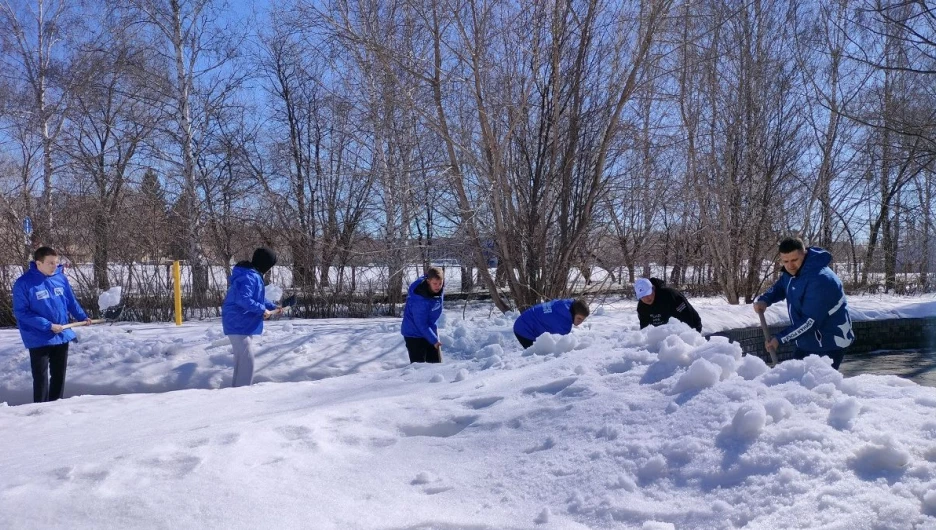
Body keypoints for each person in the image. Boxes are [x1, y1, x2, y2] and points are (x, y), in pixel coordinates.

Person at [753, 237, 854, 370]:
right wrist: (765, 299)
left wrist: (780, 339)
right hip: (808, 341)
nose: (790, 265)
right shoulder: (792, 272)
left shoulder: (821, 280)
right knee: (795, 381)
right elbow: (782, 286)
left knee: (818, 386)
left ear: (804, 253)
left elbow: (810, 322)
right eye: (785, 261)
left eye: (794, 260)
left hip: (830, 342)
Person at [12, 246, 92, 403]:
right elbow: (21, 312)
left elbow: (70, 301)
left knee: (59, 375)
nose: (54, 266)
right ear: (39, 263)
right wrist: (47, 325)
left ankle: (56, 408)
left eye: (56, 262)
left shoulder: (60, 279)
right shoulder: (23, 283)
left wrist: (83, 317)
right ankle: (40, 410)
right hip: (38, 336)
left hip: (61, 334)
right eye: (50, 263)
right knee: (41, 378)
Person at [222, 247, 282, 387]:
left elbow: (258, 298)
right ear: (265, 263)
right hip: (238, 323)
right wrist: (262, 310)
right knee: (247, 364)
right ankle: (242, 396)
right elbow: (244, 300)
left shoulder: (252, 274)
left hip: (240, 323)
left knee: (242, 363)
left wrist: (273, 307)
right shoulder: (250, 276)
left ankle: (235, 394)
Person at [401, 267, 445, 363]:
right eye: (435, 284)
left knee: (435, 364)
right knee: (419, 368)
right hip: (413, 334)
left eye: (440, 283)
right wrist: (434, 340)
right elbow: (421, 323)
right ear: (428, 281)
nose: (438, 286)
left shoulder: (437, 290)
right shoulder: (419, 299)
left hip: (428, 330)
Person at [513, 298, 590, 348]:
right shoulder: (563, 324)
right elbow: (560, 345)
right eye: (579, 318)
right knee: (538, 358)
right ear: (573, 313)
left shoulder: (566, 305)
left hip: (525, 321)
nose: (580, 322)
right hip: (524, 330)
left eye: (583, 319)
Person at [635, 277, 702, 332]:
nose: (646, 298)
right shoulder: (641, 308)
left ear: (653, 288)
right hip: (662, 335)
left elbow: (687, 316)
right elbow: (645, 329)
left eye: (648, 294)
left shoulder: (670, 296)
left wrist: (692, 335)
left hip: (689, 328)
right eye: (642, 296)